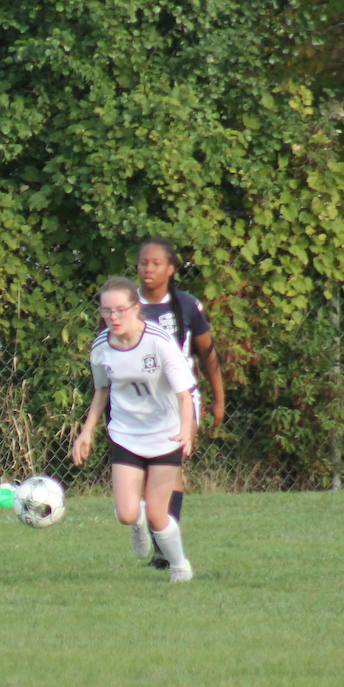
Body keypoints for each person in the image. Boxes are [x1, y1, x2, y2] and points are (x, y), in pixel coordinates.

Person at [72, 277, 199, 583]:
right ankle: (137, 520)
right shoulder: (101, 347)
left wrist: (186, 429)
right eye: (106, 311)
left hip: (165, 434)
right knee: (127, 514)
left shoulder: (159, 341)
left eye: (120, 310)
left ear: (136, 308)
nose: (113, 317)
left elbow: (184, 395)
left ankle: (179, 565)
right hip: (126, 434)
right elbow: (101, 391)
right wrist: (86, 432)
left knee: (158, 515)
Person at [133, 237, 225, 568]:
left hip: (180, 399)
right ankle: (152, 529)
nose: (149, 268)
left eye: (157, 263)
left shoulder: (186, 305)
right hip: (139, 401)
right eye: (144, 262)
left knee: (170, 466)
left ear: (171, 269)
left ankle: (163, 549)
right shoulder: (127, 306)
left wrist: (218, 400)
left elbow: (208, 353)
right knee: (144, 474)